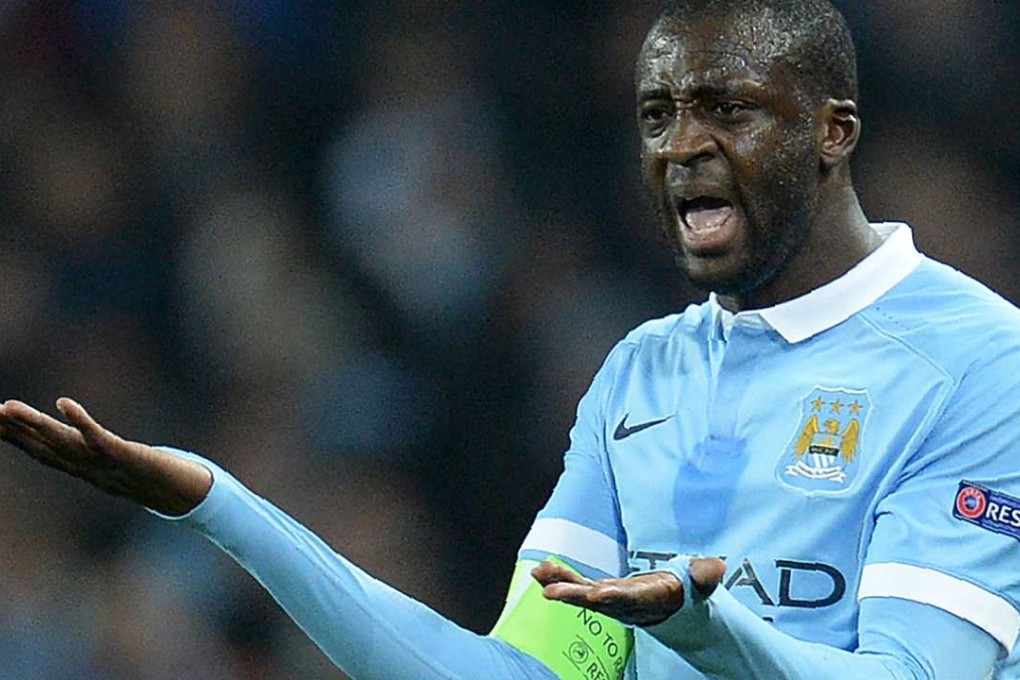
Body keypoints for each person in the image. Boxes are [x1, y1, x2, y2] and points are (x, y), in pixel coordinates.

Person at [2, 0, 1018, 677]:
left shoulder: (979, 362)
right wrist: (218, 503)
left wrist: (706, 626)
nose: (682, 150)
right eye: (658, 115)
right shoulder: (643, 374)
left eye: (729, 112)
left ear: (833, 131)